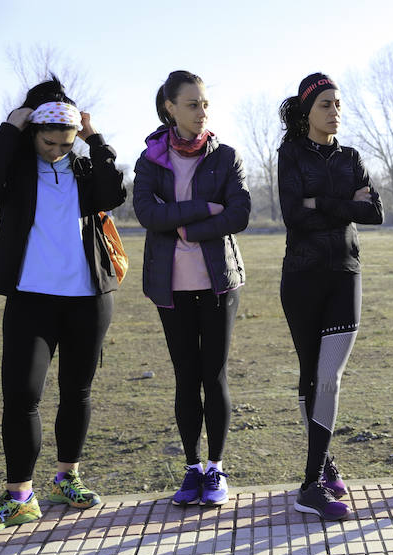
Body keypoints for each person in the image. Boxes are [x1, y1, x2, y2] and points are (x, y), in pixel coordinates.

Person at [0, 78, 126, 533]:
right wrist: (10, 128)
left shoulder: (83, 168)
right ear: (32, 132)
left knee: (77, 392)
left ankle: (67, 477)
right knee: (22, 396)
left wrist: (96, 140)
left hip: (88, 301)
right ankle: (19, 496)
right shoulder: (14, 170)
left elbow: (113, 193)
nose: (58, 150)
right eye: (49, 141)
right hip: (31, 302)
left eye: (67, 143)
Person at [133, 70, 251, 507]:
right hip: (171, 287)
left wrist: (187, 228)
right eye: (192, 104)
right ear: (170, 107)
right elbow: (146, 212)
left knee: (213, 375)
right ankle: (192, 468)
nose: (202, 112)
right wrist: (203, 208)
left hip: (219, 284)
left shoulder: (226, 156)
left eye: (205, 104)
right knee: (186, 377)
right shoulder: (149, 162)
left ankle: (216, 468)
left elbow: (239, 213)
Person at [278, 73, 383, 521]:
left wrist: (319, 203)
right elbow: (290, 215)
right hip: (301, 278)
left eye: (338, 103)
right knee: (310, 376)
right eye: (325, 104)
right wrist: (344, 203)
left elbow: (373, 212)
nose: (335, 110)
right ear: (306, 112)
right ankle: (321, 468)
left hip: (345, 275)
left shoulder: (353, 156)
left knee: (329, 377)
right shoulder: (290, 153)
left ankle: (309, 485)